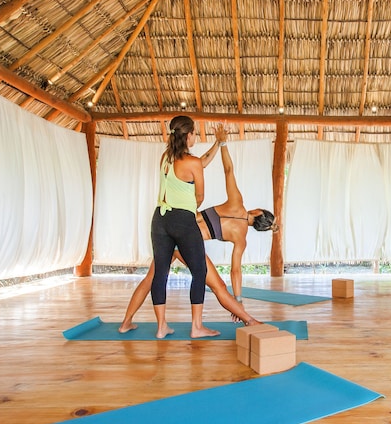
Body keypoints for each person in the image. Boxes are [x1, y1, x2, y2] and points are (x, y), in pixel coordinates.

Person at [119, 124, 277, 333]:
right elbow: (235, 271)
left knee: (152, 278)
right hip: (186, 240)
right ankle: (248, 320)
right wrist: (238, 299)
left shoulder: (236, 202)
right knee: (218, 286)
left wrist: (223, 145)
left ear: (257, 211)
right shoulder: (241, 238)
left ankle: (126, 322)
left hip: (172, 232)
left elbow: (228, 170)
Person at [147, 115, 218, 339]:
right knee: (199, 271)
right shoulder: (192, 162)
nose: (196, 136)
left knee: (161, 272)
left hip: (160, 218)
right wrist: (189, 209)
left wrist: (218, 144)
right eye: (195, 133)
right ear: (188, 135)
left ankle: (161, 327)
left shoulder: (165, 158)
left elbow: (200, 163)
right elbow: (200, 196)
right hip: (183, 220)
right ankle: (197, 327)